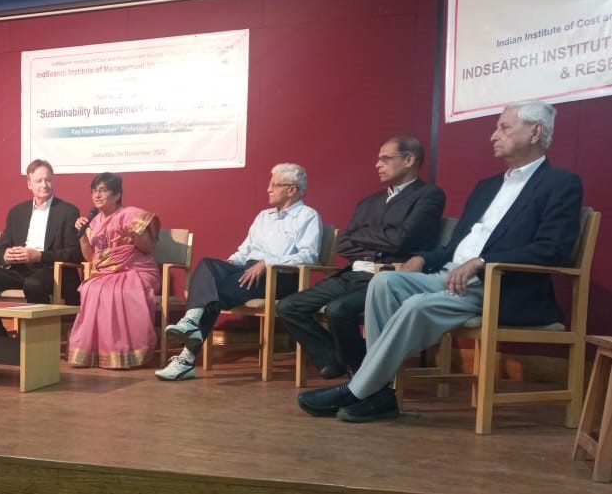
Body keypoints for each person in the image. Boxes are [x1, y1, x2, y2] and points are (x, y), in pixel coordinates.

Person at [297, 100, 583, 423]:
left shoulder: (561, 183)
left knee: (416, 306)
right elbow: (454, 247)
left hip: (496, 286)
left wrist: (482, 261)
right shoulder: (487, 186)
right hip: (448, 277)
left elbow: (552, 249)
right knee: (384, 282)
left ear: (536, 132)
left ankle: (361, 389)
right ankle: (376, 393)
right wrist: (422, 257)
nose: (493, 135)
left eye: (504, 127)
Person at [278, 137, 445, 379]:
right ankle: (336, 359)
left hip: (390, 276)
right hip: (354, 272)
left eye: (385, 159)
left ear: (409, 160)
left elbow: (403, 240)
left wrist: (364, 236)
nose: (378, 164)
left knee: (338, 310)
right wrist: (382, 237)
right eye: (378, 159)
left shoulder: (429, 195)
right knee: (288, 306)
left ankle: (360, 375)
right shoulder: (369, 201)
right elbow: (344, 242)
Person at [155, 163, 322, 381]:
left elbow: (308, 256)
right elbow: (245, 250)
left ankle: (187, 358)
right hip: (249, 269)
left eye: (274, 185)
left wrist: (267, 263)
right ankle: (191, 325)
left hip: (281, 276)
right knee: (208, 266)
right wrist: (226, 266)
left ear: (291, 189)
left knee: (213, 292)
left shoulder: (307, 216)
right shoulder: (264, 216)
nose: (268, 189)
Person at [0, 159, 83, 336]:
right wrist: (7, 256)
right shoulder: (17, 212)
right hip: (20, 270)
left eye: (48, 180)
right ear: (29, 184)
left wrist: (39, 256)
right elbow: (0, 251)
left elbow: (74, 253)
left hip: (52, 271)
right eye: (39, 181)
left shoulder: (68, 211)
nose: (44, 185)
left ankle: (38, 338)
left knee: (34, 284)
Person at [67, 173, 160, 369]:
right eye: (94, 191)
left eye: (102, 191)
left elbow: (148, 248)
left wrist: (136, 235)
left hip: (137, 269)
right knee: (90, 288)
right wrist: (83, 237)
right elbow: (91, 259)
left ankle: (125, 352)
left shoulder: (131, 215)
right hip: (106, 273)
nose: (97, 196)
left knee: (117, 292)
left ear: (117, 195)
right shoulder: (93, 221)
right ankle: (96, 353)